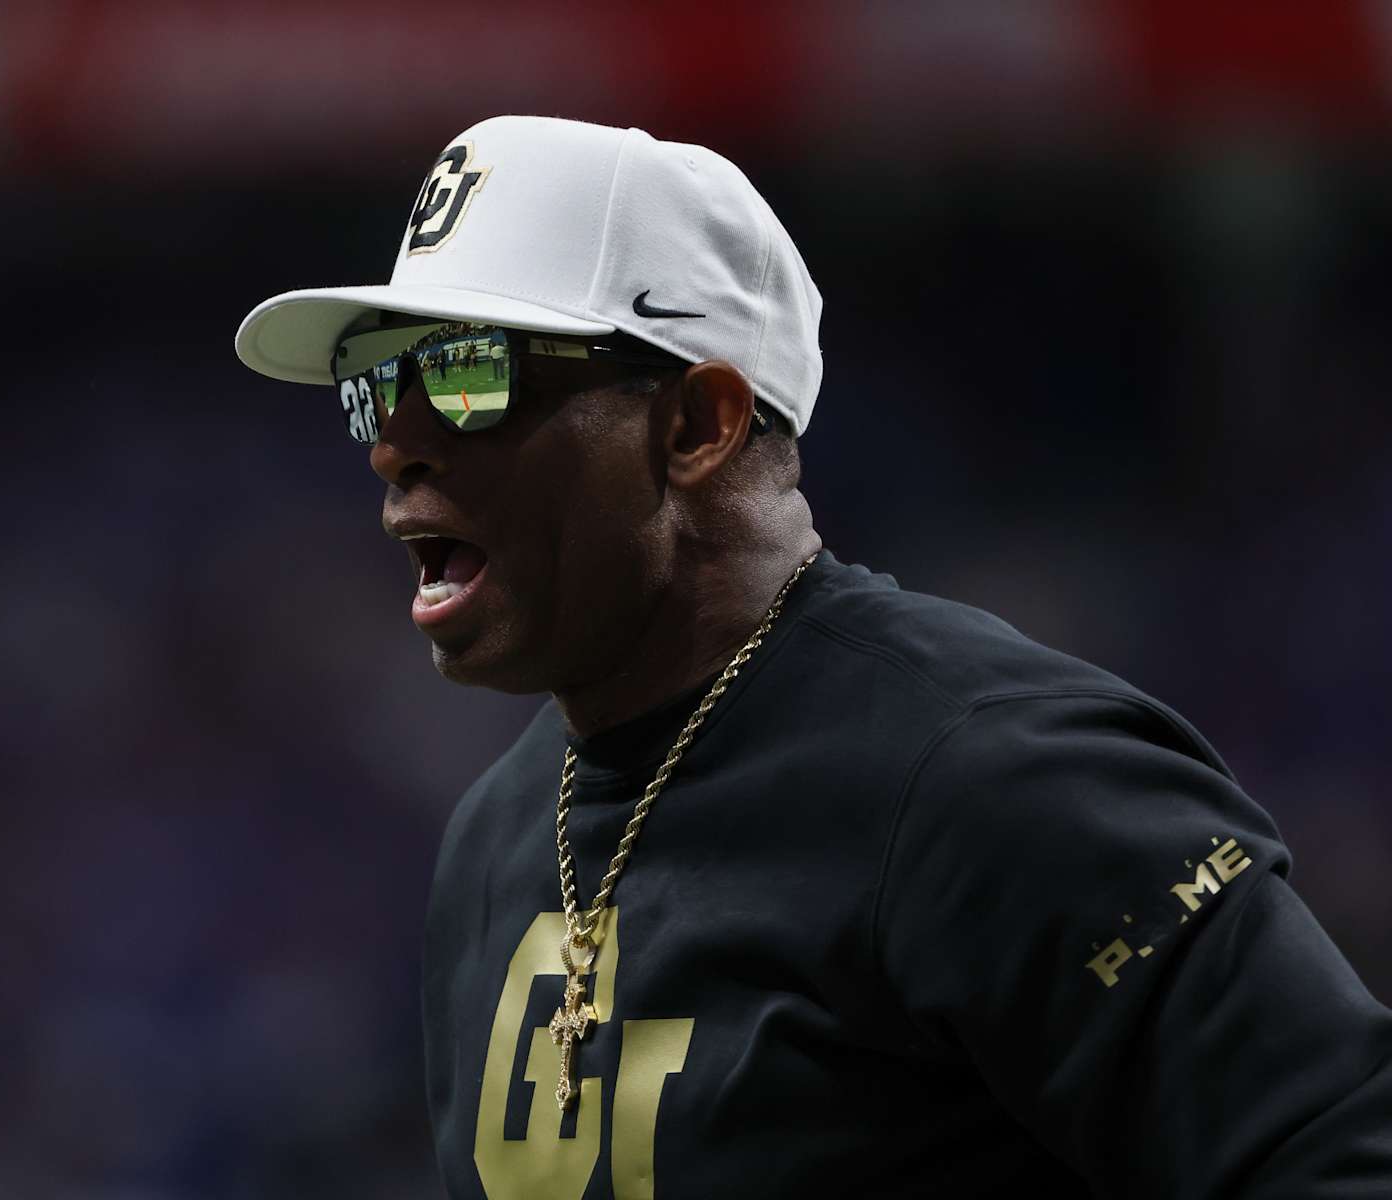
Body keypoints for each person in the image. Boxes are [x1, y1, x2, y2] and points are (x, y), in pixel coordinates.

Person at [235, 116, 1392, 1197]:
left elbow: (1339, 1155)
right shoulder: (494, 837)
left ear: (698, 425)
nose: (394, 444)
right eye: (380, 383)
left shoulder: (995, 780)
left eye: (467, 373)